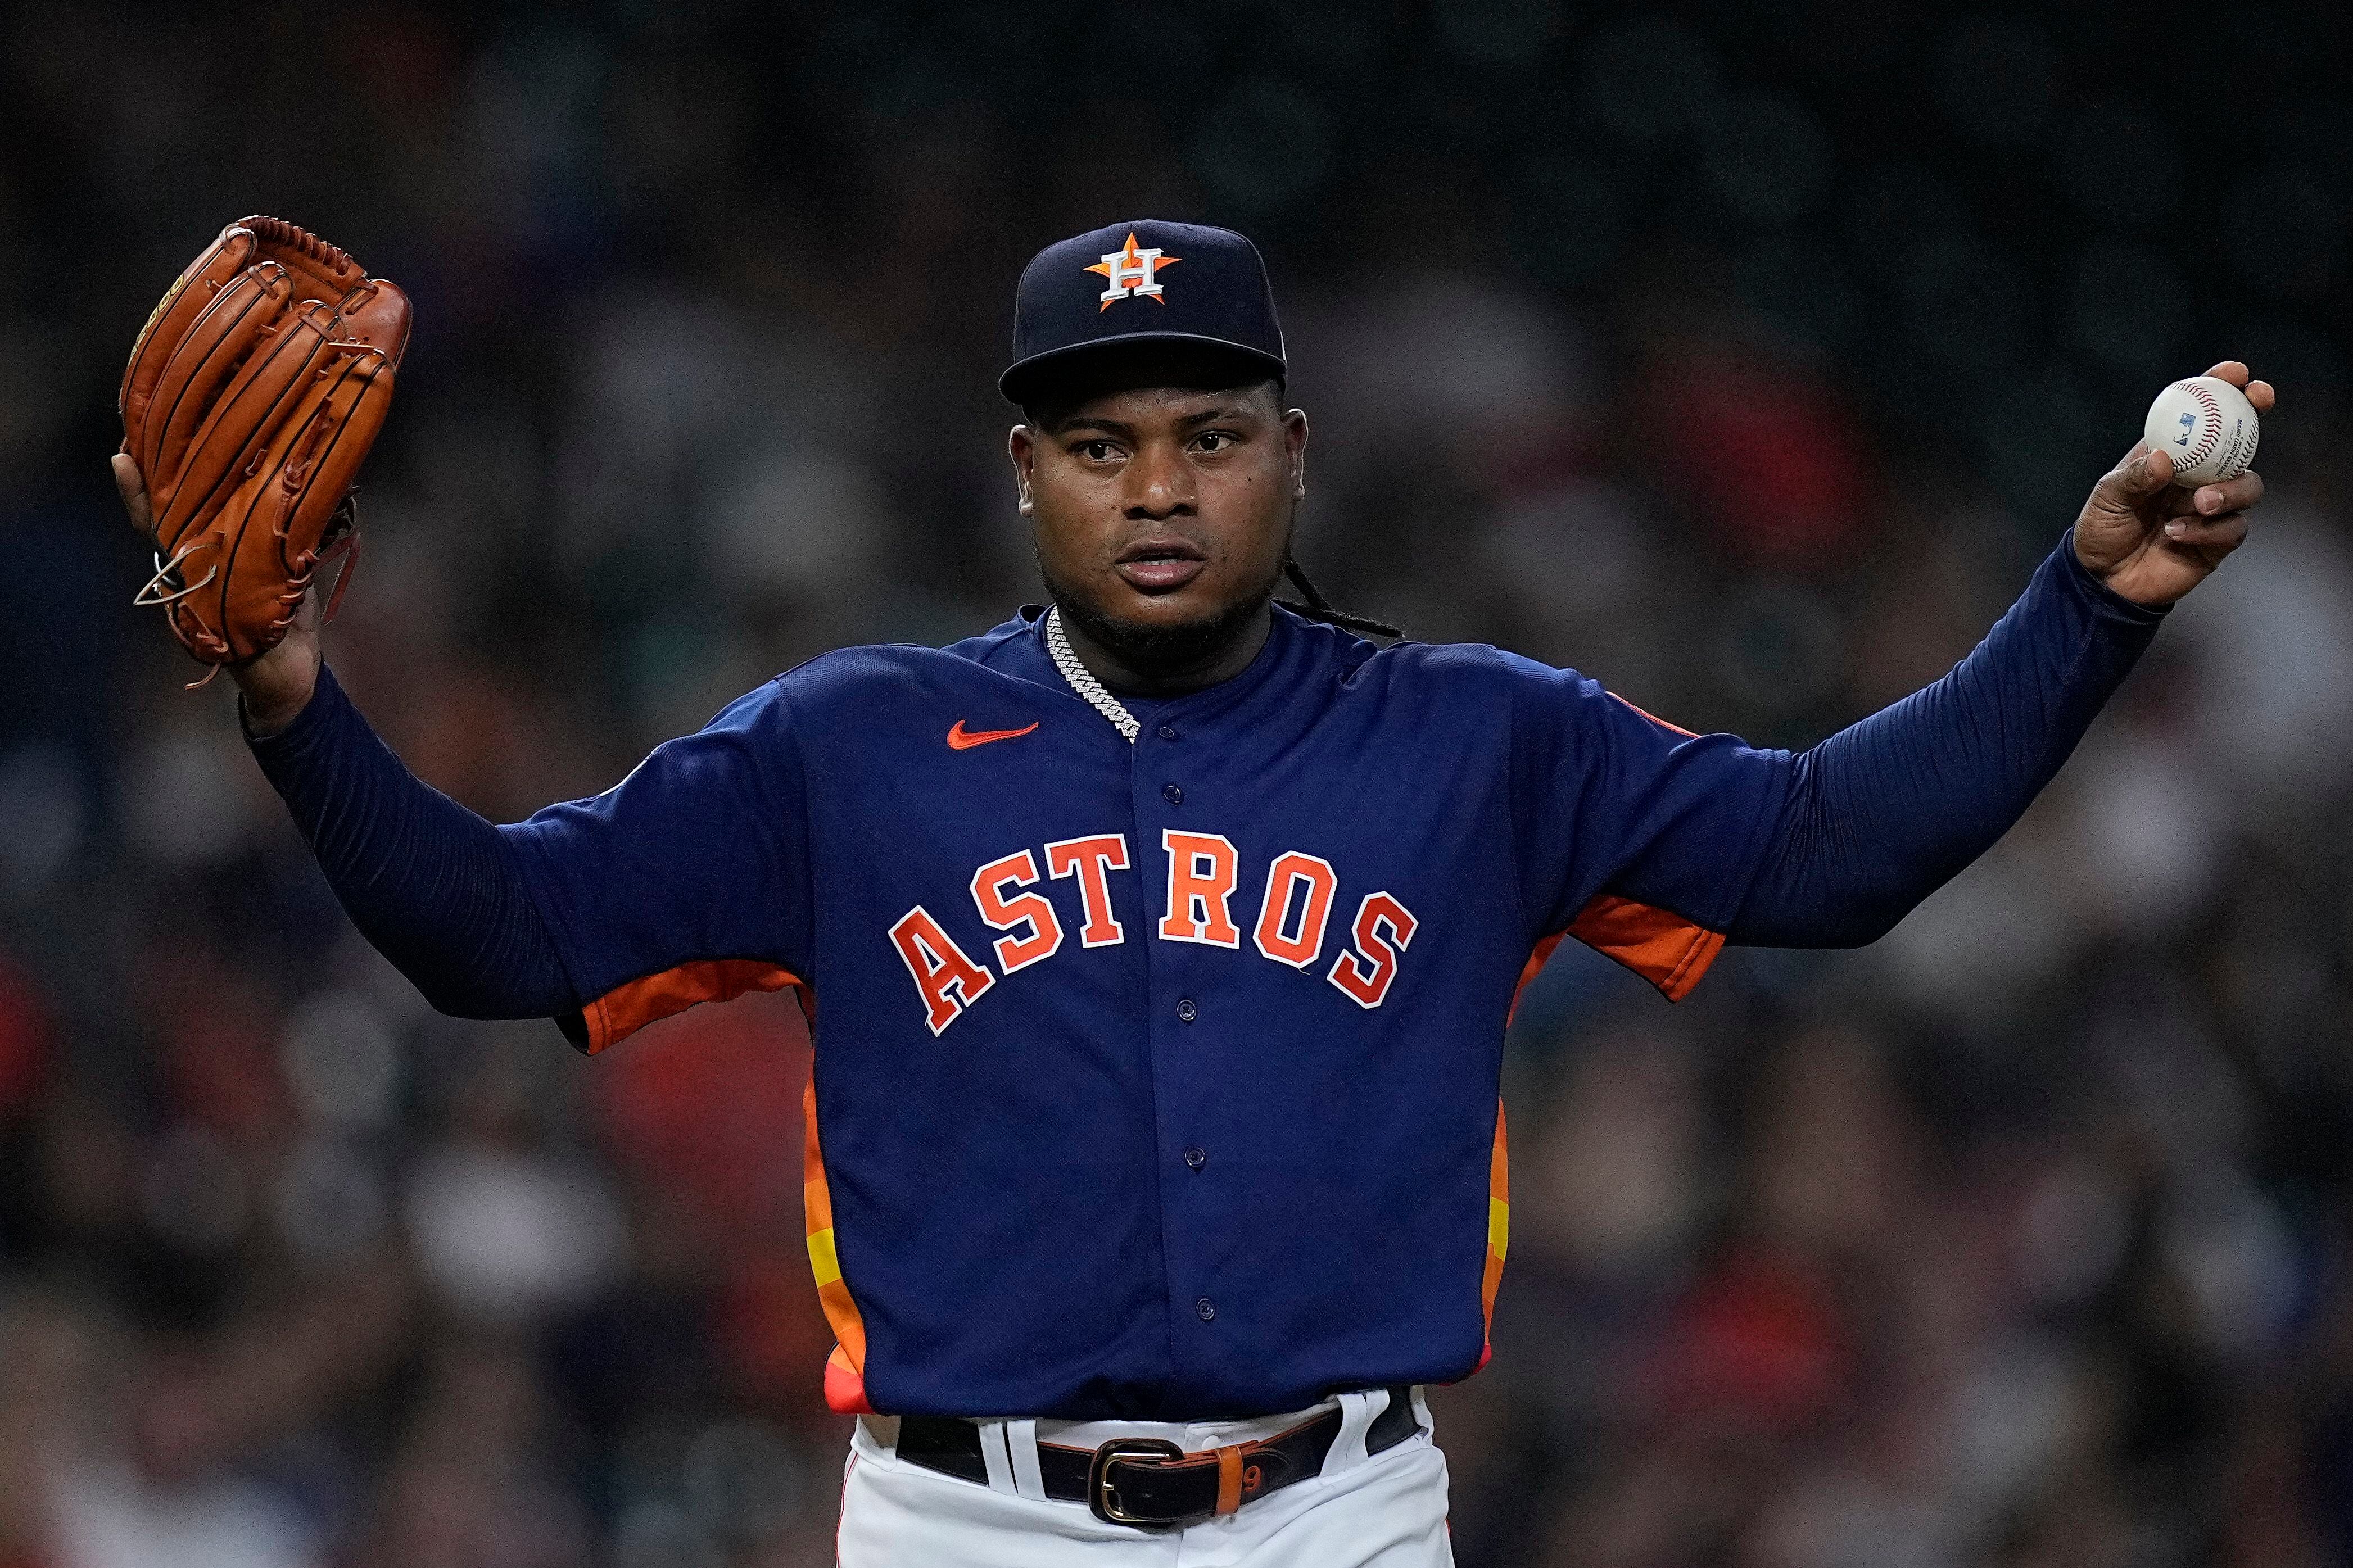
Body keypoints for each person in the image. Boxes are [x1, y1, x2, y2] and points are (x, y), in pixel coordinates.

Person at [112, 219, 2270, 1565]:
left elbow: (1824, 853)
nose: (1156, 482)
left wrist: (2082, 609)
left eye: (1206, 432)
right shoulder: (840, 751)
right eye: (1100, 437)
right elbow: (502, 936)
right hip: (967, 1525)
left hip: (1339, 1512)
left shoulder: (1474, 740)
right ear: (1022, 470)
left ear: (1296, 453)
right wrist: (296, 697)